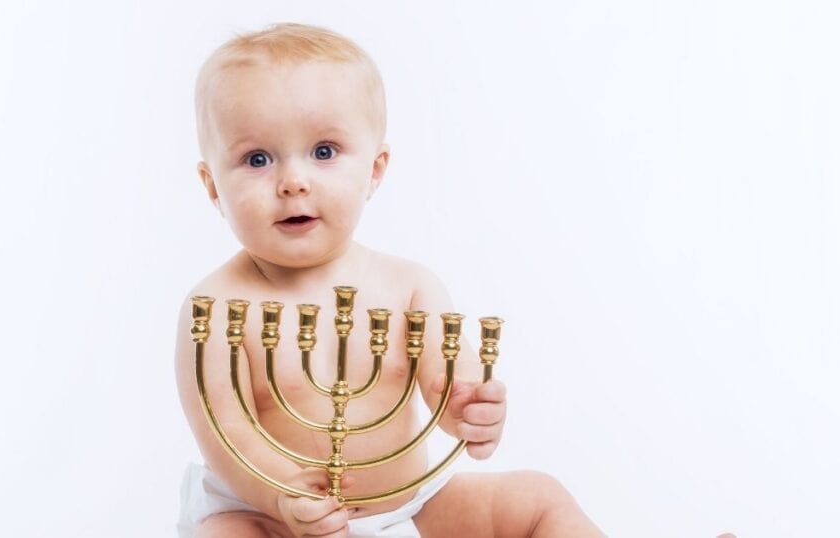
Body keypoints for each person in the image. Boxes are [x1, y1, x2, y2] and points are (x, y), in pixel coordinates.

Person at [175, 22, 604, 537]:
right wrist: (286, 495)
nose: (293, 182)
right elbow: (226, 436)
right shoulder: (216, 307)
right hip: (271, 517)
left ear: (375, 170)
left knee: (538, 498)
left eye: (325, 151)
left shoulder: (408, 288)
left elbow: (450, 386)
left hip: (407, 511)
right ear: (212, 186)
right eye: (257, 159)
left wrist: (472, 408)